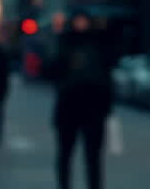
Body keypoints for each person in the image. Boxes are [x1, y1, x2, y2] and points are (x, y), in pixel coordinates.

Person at [49, 11, 114, 189]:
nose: (81, 25)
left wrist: (106, 105)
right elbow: (52, 70)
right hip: (69, 107)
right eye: (78, 21)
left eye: (83, 21)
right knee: (65, 154)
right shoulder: (64, 42)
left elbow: (106, 78)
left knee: (93, 156)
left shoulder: (98, 44)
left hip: (93, 108)